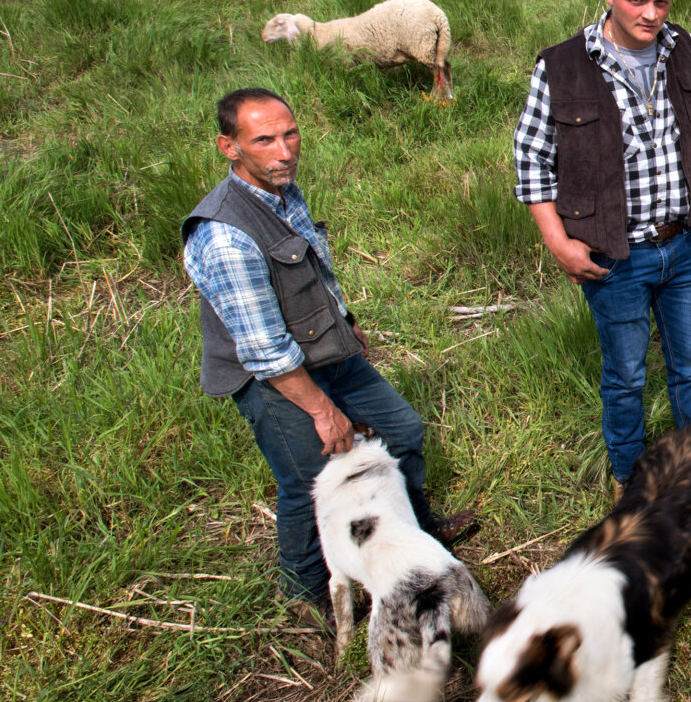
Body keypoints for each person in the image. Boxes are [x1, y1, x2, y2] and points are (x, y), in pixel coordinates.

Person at [183, 88, 477, 614]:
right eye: (265, 140)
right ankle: (305, 595)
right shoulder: (224, 234)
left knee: (405, 433)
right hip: (271, 376)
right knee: (307, 482)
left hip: (324, 351)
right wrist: (323, 411)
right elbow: (264, 350)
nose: (285, 151)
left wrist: (347, 323)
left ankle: (415, 537)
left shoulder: (284, 193)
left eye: (290, 134)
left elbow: (315, 268)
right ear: (230, 147)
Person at [512, 0, 691, 490]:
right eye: (638, 1)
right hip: (614, 254)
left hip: (685, 244)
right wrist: (559, 243)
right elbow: (532, 161)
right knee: (626, 376)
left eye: (661, 3)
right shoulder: (562, 66)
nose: (651, 15)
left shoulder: (687, 50)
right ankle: (628, 479)